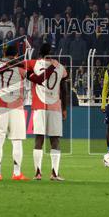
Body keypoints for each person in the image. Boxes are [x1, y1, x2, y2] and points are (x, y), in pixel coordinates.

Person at [0, 43, 54, 181]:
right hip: (16, 108)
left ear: (4, 55)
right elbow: (36, 78)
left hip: (0, 106)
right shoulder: (21, 68)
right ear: (16, 55)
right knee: (17, 141)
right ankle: (16, 173)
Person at [26, 42, 68, 180]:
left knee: (39, 139)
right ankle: (54, 173)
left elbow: (22, 67)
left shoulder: (33, 64)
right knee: (55, 140)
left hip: (39, 107)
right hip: (55, 107)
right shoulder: (60, 67)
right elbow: (64, 89)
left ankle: (38, 172)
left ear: (40, 53)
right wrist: (64, 108)